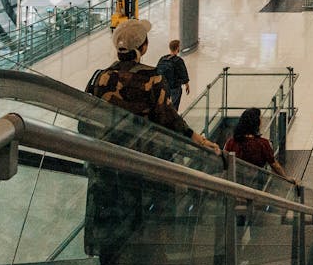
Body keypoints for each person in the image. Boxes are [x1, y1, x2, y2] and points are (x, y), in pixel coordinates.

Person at [87, 20, 219, 153]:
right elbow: (169, 119)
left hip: (104, 153)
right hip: (141, 157)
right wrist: (198, 139)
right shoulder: (153, 79)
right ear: (144, 47)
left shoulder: (99, 77)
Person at [224, 107, 296, 185]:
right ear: (256, 123)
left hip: (235, 182)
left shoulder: (231, 142)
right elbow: (274, 165)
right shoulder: (263, 144)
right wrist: (286, 178)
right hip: (256, 183)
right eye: (260, 119)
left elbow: (224, 158)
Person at [155, 39, 191, 110]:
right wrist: (187, 85)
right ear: (177, 48)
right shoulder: (178, 60)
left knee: (164, 103)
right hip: (175, 87)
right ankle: (173, 117)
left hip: (164, 86)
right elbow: (183, 74)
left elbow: (156, 71)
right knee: (174, 104)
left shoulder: (162, 58)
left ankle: (165, 115)